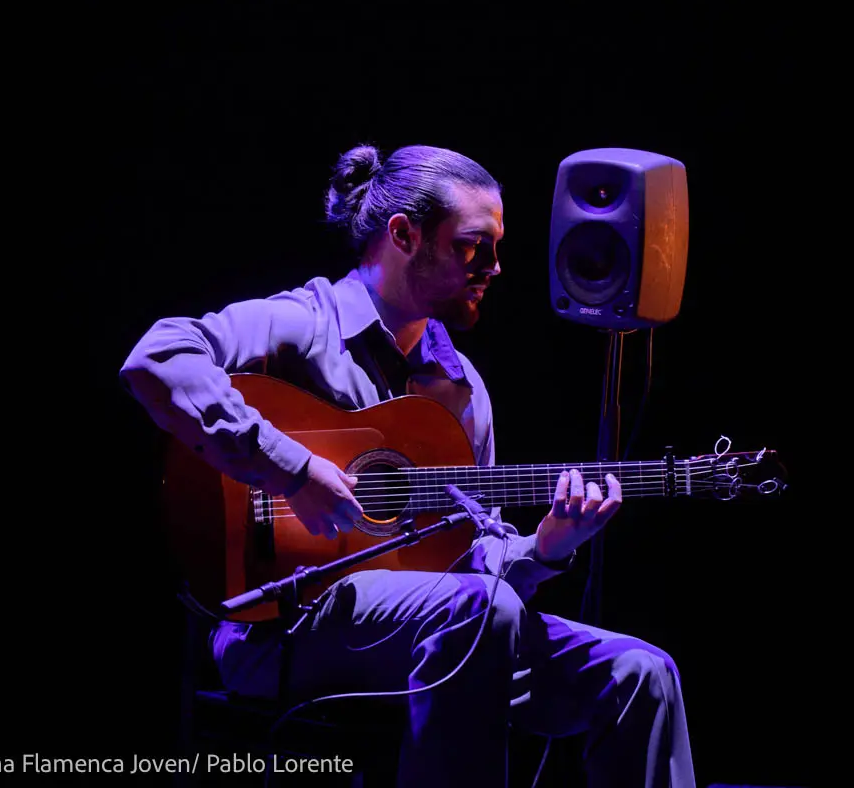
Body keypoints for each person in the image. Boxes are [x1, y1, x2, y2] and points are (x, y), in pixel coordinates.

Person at [119, 143, 695, 787]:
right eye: (474, 247)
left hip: (442, 630)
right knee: (483, 612)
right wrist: (289, 467)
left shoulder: (461, 386)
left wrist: (548, 546)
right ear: (404, 235)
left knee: (641, 673)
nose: (496, 268)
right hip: (282, 625)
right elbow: (158, 357)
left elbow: (469, 557)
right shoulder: (304, 324)